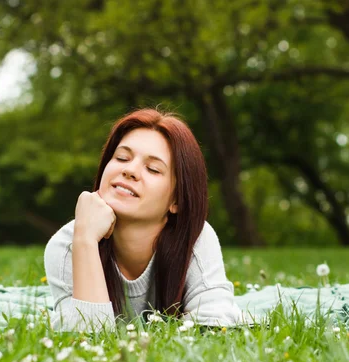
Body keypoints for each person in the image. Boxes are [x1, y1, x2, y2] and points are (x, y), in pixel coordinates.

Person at [44, 108, 243, 332]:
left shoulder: (195, 239)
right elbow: (86, 340)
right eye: (121, 158)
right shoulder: (68, 245)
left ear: (176, 200)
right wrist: (86, 241)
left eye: (153, 169)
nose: (130, 170)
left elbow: (214, 327)